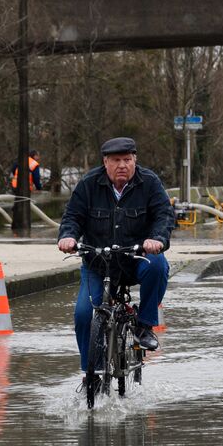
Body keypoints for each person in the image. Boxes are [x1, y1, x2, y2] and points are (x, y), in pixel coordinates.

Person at [57, 137, 175, 376]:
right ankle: (92, 372)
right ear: (105, 162)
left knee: (159, 266)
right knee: (83, 314)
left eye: (127, 160)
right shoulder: (89, 184)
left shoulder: (150, 182)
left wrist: (157, 240)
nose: (122, 165)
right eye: (116, 160)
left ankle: (144, 326)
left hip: (136, 259)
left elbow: (164, 216)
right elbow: (72, 217)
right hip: (98, 263)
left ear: (135, 160)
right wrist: (68, 237)